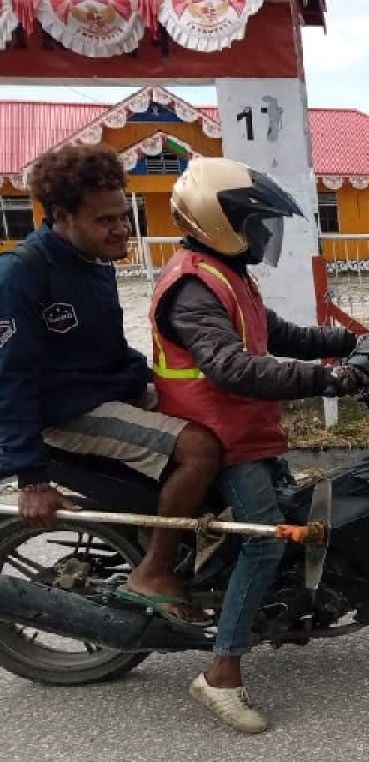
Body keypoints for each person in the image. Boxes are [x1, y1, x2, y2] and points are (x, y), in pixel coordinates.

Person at [151, 157, 367, 733]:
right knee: (266, 544)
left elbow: (276, 332)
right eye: (257, 225)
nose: (265, 236)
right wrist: (321, 378)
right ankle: (220, 676)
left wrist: (350, 341)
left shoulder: (226, 274)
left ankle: (267, 613)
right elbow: (228, 367)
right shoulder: (193, 286)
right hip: (221, 436)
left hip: (246, 430)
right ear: (217, 220)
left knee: (294, 518)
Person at [0, 144, 220, 626]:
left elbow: (109, 350)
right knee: (199, 449)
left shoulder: (92, 263)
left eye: (124, 216)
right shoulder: (22, 273)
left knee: (216, 413)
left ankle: (192, 541)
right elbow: (10, 378)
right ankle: (153, 571)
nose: (121, 229)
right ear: (62, 216)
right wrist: (31, 479)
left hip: (107, 392)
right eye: (106, 221)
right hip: (61, 412)